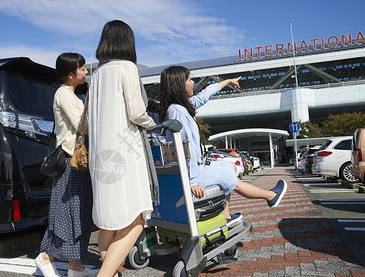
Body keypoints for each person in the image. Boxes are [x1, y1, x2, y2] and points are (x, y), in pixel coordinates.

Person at [159, 66, 287, 227]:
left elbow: (204, 96)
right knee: (231, 178)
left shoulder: (181, 107)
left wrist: (226, 82)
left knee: (229, 167)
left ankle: (225, 215)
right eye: (189, 79)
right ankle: (270, 196)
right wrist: (191, 183)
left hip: (196, 170)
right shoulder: (177, 111)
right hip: (192, 175)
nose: (193, 82)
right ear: (179, 85)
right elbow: (186, 148)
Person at [88, 20, 157, 277]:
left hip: (101, 160)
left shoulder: (96, 76)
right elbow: (137, 112)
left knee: (108, 224)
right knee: (137, 219)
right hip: (125, 154)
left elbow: (86, 122)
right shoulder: (126, 67)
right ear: (127, 41)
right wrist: (153, 124)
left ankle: (111, 274)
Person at [35, 53, 98, 277]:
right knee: (69, 213)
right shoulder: (64, 94)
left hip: (76, 162)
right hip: (72, 161)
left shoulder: (69, 93)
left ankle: (75, 266)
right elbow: (83, 125)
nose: (85, 72)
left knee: (75, 212)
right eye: (82, 68)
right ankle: (46, 257)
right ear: (71, 74)